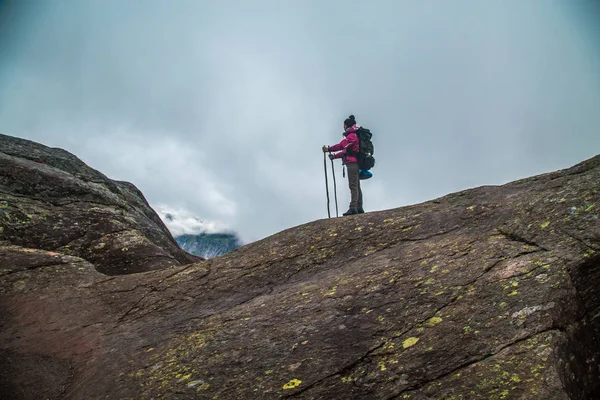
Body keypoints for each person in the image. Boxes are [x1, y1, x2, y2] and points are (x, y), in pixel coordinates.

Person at [323, 115, 364, 216]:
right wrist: (334, 156)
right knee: (356, 185)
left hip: (352, 164)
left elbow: (341, 145)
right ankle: (359, 207)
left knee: (353, 186)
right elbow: (345, 151)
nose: (343, 127)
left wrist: (329, 149)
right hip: (354, 163)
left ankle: (353, 207)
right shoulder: (354, 135)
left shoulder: (351, 136)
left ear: (347, 125)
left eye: (344, 125)